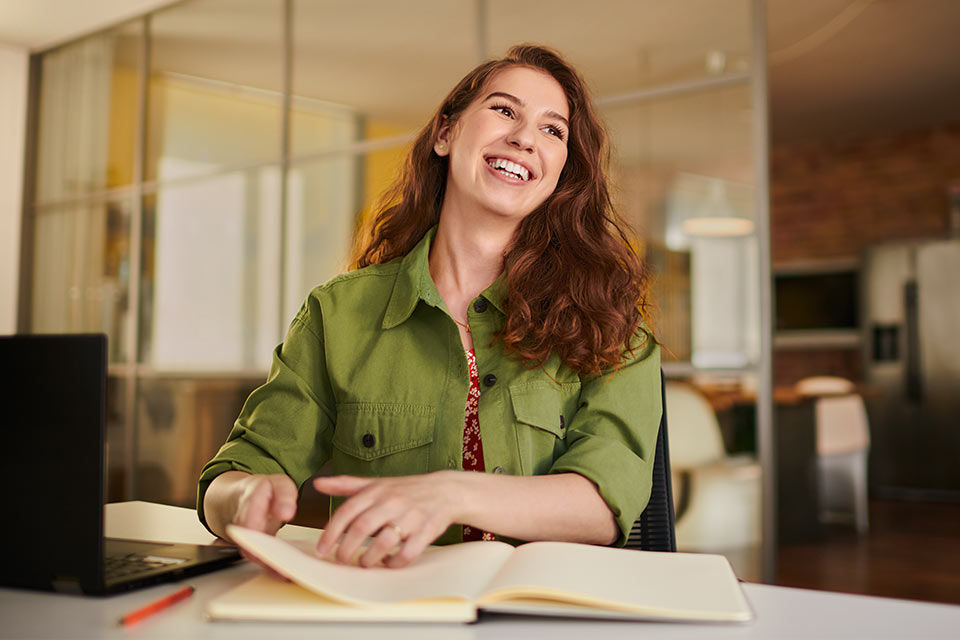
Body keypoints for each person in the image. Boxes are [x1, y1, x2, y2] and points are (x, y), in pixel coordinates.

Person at [198, 44, 661, 569]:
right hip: (385, 607)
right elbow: (234, 474)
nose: (525, 137)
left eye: (553, 130)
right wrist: (245, 499)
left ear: (561, 173)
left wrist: (452, 494)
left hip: (541, 612)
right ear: (446, 133)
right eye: (505, 110)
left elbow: (604, 501)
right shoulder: (338, 313)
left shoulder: (611, 321)